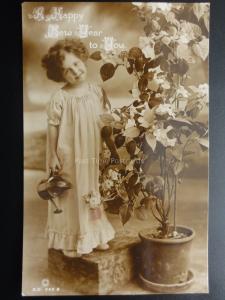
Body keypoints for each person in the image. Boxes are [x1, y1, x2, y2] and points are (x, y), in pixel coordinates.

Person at [41, 38, 115, 257]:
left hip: (91, 153)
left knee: (92, 193)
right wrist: (53, 154)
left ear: (82, 57)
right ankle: (70, 239)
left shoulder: (96, 92)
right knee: (70, 194)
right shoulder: (60, 98)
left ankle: (94, 234)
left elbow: (103, 123)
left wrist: (109, 148)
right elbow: (53, 128)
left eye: (75, 63)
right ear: (59, 76)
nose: (74, 71)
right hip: (68, 155)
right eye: (66, 71)